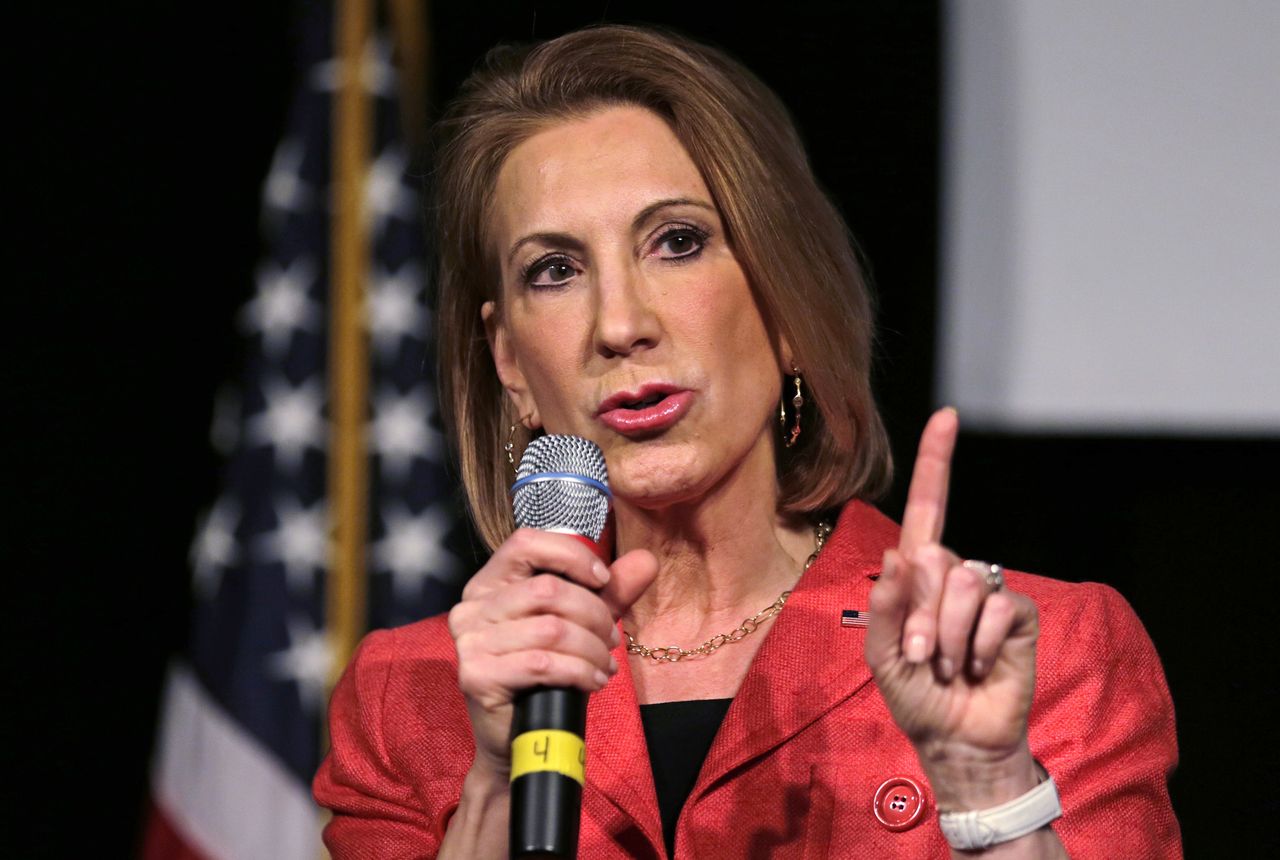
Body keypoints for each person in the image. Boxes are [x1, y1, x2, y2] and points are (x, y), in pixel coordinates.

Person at [313, 25, 1180, 858]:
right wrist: (499, 784)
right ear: (509, 359)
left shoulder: (1037, 649)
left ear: (788, 306)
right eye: (556, 270)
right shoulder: (410, 694)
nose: (619, 324)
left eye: (677, 243)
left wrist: (988, 788)